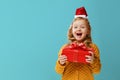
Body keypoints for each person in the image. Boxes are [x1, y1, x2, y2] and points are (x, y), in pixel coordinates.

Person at [55, 6, 101, 80]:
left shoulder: (93, 48)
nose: (78, 29)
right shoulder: (65, 48)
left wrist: (93, 61)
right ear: (71, 30)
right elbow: (58, 71)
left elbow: (97, 71)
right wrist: (61, 63)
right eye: (75, 27)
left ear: (88, 30)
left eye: (82, 27)